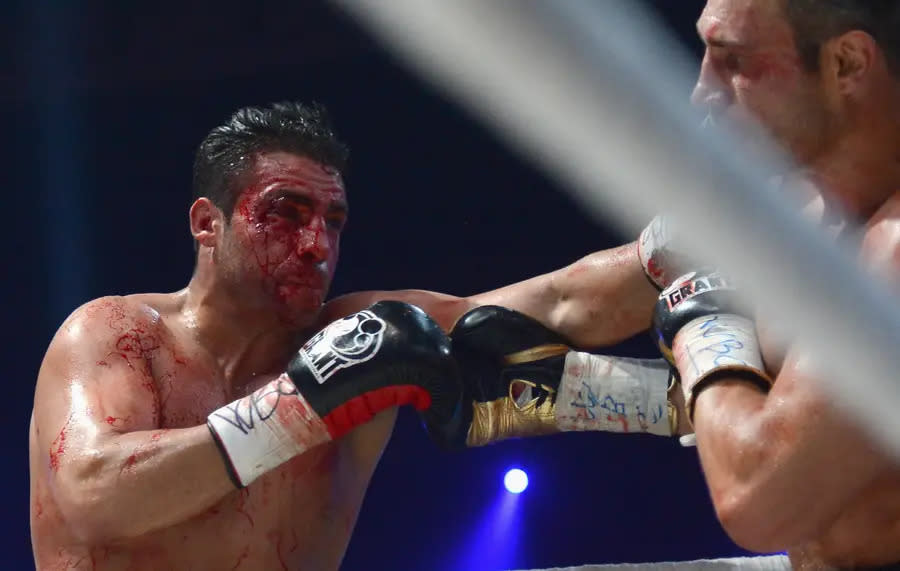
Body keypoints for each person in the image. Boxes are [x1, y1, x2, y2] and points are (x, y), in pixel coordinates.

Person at [28, 101, 678, 571]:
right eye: (285, 213)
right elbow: (94, 492)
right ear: (207, 223)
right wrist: (297, 407)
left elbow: (560, 302)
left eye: (332, 222)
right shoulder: (117, 335)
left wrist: (706, 241)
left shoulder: (353, 334)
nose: (316, 246)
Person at [437, 0, 900, 568]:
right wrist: (363, 331)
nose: (702, 91)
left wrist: (703, 322)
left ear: (847, 63)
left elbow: (759, 498)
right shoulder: (780, 202)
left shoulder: (892, 250)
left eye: (733, 59)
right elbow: (572, 299)